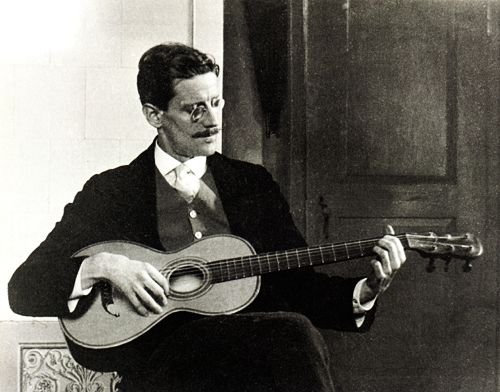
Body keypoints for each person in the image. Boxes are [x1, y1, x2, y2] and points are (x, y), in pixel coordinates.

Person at [8, 43, 406, 392]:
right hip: (163, 371)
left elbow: (299, 286)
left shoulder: (253, 184)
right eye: (194, 109)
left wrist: (367, 290)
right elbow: (23, 289)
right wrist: (102, 265)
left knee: (292, 332)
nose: (213, 121)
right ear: (154, 114)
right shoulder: (112, 192)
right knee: (291, 334)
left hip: (252, 368)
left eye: (216, 103)